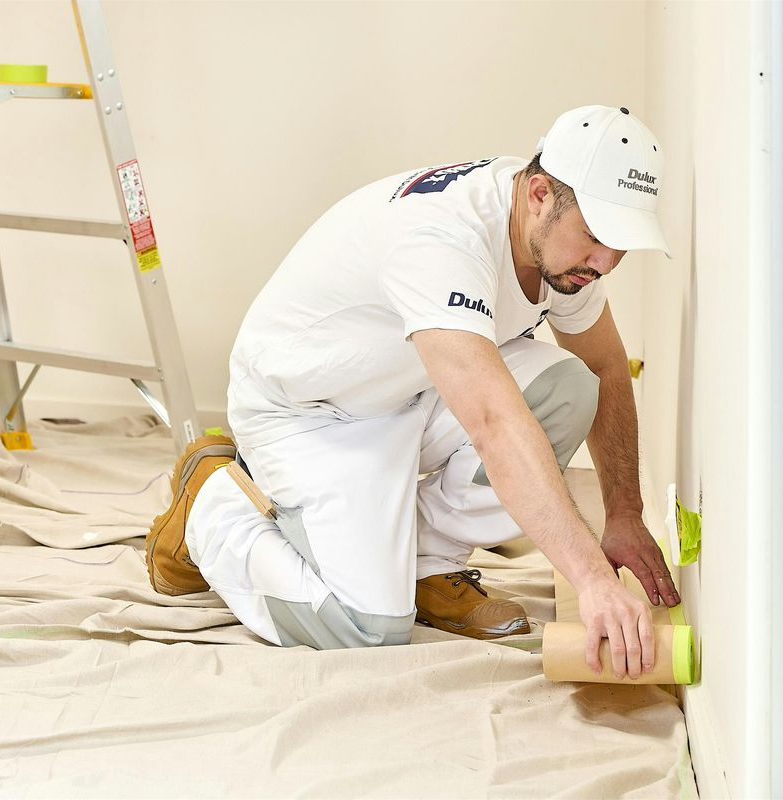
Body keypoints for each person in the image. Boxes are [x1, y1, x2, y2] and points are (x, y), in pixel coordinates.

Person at [144, 105, 680, 680]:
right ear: (540, 195)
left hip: (408, 387)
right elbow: (493, 422)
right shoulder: (443, 239)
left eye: (621, 244)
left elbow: (604, 366)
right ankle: (211, 504)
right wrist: (593, 580)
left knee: (568, 388)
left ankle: (425, 565)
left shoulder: (561, 250)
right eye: (596, 237)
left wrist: (625, 514)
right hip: (308, 413)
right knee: (366, 627)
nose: (606, 263)